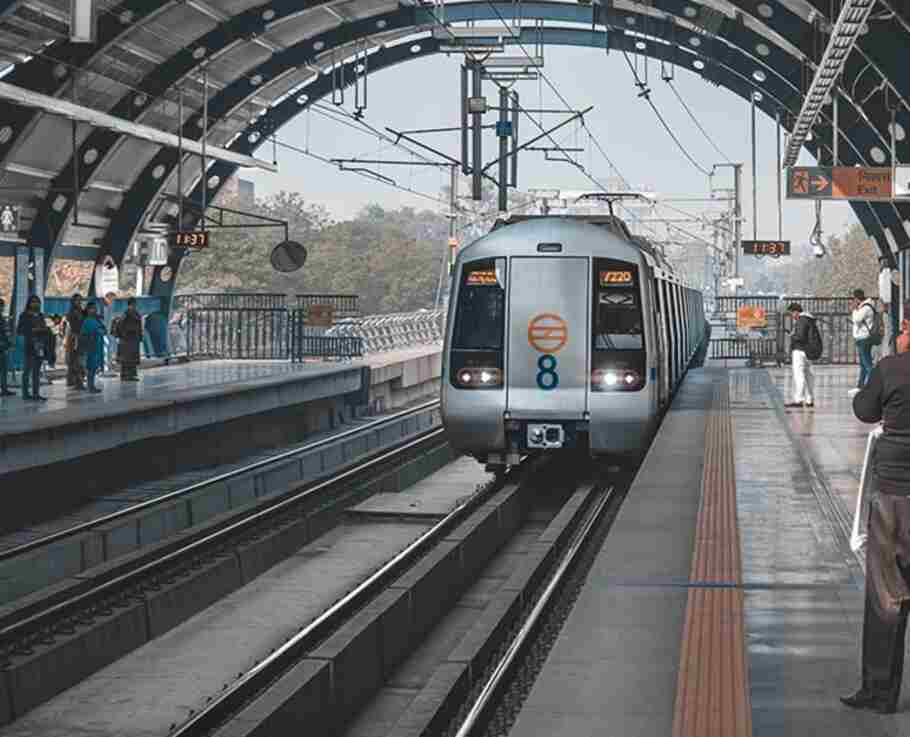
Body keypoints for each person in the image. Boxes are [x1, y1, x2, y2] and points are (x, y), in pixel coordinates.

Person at [841, 326, 910, 714]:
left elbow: (865, 410)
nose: (900, 333)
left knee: (887, 596)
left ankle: (880, 692)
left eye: (904, 327)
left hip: (896, 499)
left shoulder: (892, 368)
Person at [16, 295, 49, 401]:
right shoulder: (24, 315)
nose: (36, 304)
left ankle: (36, 394)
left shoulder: (40, 315)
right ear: (29, 303)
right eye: (33, 302)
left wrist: (44, 330)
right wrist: (32, 330)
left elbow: (45, 328)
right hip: (29, 345)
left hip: (40, 345)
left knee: (36, 371)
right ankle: (25, 394)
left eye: (37, 302)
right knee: (27, 370)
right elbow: (19, 330)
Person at [785, 302, 815, 408]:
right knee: (808, 375)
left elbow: (800, 337)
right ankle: (810, 399)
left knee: (799, 375)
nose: (792, 316)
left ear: (796, 311)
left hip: (799, 350)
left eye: (791, 313)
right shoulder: (809, 319)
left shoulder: (801, 321)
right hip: (808, 351)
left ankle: (799, 400)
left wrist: (792, 335)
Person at [851, 288, 877, 396]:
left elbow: (856, 319)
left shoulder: (866, 307)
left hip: (864, 338)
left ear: (857, 299)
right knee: (863, 364)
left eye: (854, 299)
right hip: (862, 338)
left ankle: (873, 386)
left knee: (867, 364)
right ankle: (860, 386)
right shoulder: (865, 307)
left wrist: (854, 309)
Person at [79, 302, 106, 394]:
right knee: (90, 367)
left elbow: (103, 329)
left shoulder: (96, 320)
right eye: (92, 308)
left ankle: (92, 385)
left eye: (95, 308)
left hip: (97, 346)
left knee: (94, 367)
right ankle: (90, 386)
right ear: (88, 310)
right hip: (90, 346)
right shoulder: (87, 321)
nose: (94, 310)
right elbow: (92, 331)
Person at [115, 298, 143, 381]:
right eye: (133, 304)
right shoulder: (126, 313)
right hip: (127, 339)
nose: (134, 305)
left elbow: (139, 325)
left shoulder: (135, 313)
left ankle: (131, 375)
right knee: (126, 357)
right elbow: (120, 324)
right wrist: (124, 334)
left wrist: (140, 336)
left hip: (134, 338)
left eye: (135, 304)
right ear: (130, 304)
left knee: (132, 356)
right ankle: (125, 375)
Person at [65, 294, 85, 389]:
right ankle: (75, 381)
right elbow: (74, 325)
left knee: (78, 360)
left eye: (80, 300)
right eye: (77, 300)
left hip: (80, 338)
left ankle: (76, 380)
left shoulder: (81, 311)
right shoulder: (72, 312)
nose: (79, 302)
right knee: (75, 360)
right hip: (74, 338)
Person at [879, 258, 898, 358]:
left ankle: (888, 353)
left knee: (889, 330)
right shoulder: (888, 273)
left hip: (887, 305)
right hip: (889, 304)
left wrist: (884, 304)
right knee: (891, 329)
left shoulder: (884, 274)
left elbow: (885, 292)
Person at [0, 298, 13, 397]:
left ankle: (4, 389)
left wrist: (8, 344)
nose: (2, 308)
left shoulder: (3, 318)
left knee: (4, 369)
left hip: (4, 347)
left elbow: (6, 333)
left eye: (2, 306)